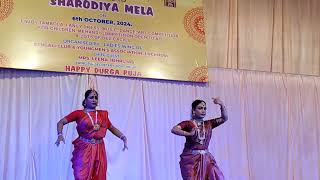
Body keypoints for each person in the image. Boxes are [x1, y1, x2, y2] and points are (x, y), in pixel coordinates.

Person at [55, 89, 128, 180]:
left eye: (96, 98)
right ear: (85, 101)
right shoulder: (79, 113)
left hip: (99, 148)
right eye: (91, 97)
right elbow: (60, 122)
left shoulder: (102, 115)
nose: (94, 100)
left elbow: (112, 128)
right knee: (80, 175)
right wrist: (60, 135)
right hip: (84, 148)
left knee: (99, 175)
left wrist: (123, 137)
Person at [171, 98, 228, 180]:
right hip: (191, 160)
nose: (203, 110)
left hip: (206, 159)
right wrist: (189, 134)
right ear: (194, 110)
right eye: (200, 108)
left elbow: (224, 118)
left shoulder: (209, 124)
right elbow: (174, 129)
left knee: (215, 176)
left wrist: (221, 104)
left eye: (205, 108)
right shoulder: (188, 123)